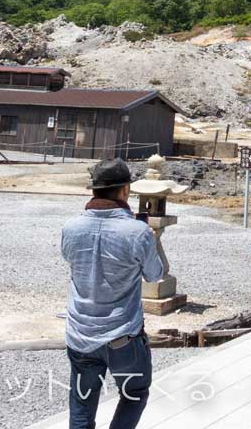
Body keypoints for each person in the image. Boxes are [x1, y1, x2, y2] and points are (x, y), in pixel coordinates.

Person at [61, 158, 165, 429]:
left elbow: (68, 259)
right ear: (125, 190)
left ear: (93, 190)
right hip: (123, 335)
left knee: (82, 404)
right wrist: (149, 237)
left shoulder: (71, 227)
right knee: (134, 394)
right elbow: (155, 275)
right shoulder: (137, 231)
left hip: (81, 332)